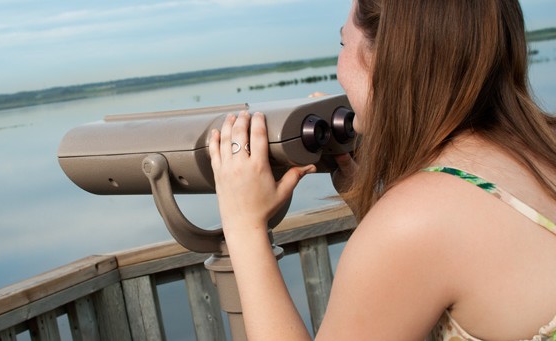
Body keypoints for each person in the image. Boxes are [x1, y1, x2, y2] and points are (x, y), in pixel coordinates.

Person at [207, 0, 556, 340]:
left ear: (389, 56)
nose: (339, 68)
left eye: (344, 42)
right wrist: (372, 200)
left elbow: (436, 237)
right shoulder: (542, 148)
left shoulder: (417, 220)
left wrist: (245, 226)